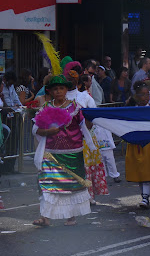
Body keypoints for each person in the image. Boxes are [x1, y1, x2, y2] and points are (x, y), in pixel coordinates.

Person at [31, 75, 93, 227]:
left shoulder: (76, 107)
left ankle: (71, 216)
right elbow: (36, 130)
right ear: (50, 91)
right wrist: (48, 131)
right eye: (55, 89)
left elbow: (86, 127)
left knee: (71, 185)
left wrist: (93, 117)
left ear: (66, 90)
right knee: (47, 184)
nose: (58, 91)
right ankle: (45, 217)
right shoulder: (46, 108)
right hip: (51, 153)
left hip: (73, 152)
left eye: (61, 88)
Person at [64, 60, 109, 204]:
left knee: (84, 167)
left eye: (73, 76)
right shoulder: (61, 98)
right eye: (68, 76)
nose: (70, 79)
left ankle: (87, 195)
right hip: (65, 140)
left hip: (84, 139)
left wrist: (85, 129)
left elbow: (93, 116)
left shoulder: (85, 97)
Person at [125, 81, 150, 208]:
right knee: (139, 171)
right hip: (135, 142)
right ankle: (143, 195)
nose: (146, 97)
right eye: (142, 95)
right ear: (137, 96)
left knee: (148, 170)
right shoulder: (131, 110)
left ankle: (145, 197)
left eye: (147, 94)